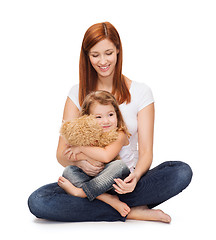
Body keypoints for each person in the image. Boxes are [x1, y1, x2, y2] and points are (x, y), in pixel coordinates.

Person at [28, 22, 192, 223]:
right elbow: (61, 154)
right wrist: (81, 163)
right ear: (86, 56)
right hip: (89, 180)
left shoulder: (141, 92)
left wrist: (136, 177)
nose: (103, 61)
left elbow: (147, 151)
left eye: (108, 53)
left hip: (127, 181)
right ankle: (130, 210)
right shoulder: (76, 93)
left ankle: (109, 203)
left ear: (118, 51)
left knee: (181, 171)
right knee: (38, 201)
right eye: (95, 55)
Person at [58, 90, 132, 217]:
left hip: (119, 183)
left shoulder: (120, 134)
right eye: (98, 117)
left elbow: (106, 157)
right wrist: (82, 157)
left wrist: (81, 148)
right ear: (87, 119)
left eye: (110, 115)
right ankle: (105, 198)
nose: (106, 121)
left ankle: (81, 193)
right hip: (97, 183)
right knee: (69, 171)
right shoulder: (88, 137)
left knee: (118, 165)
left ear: (117, 115)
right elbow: (69, 155)